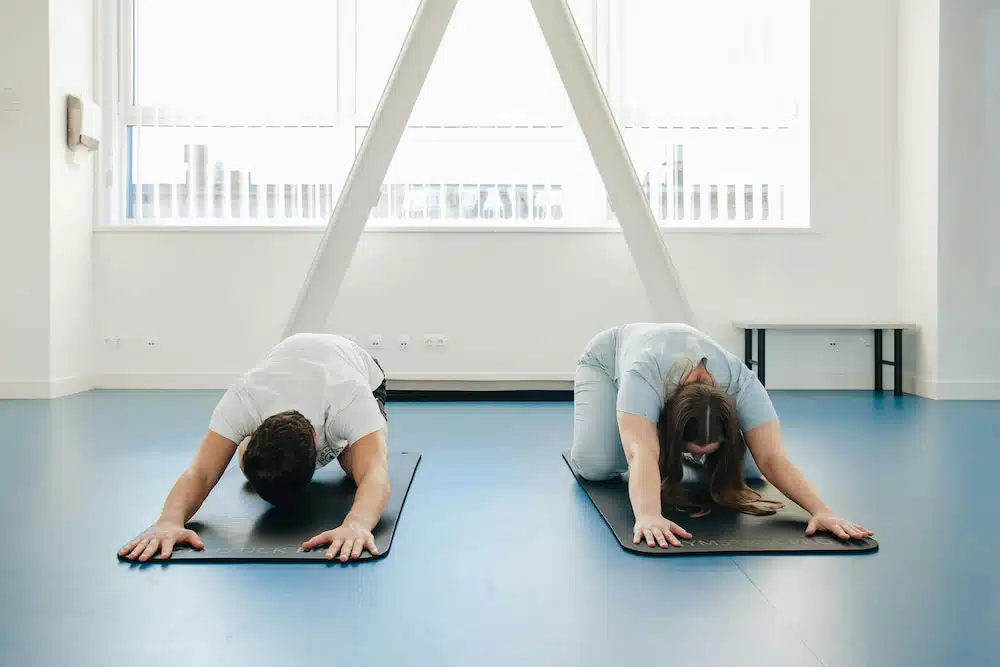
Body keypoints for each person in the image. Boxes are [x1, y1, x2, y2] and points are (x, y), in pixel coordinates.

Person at [570, 322, 873, 549]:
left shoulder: (742, 382)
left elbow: (772, 457)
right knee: (596, 465)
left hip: (673, 370)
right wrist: (649, 515)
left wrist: (822, 511)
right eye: (693, 451)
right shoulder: (643, 373)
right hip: (606, 360)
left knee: (752, 469)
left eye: (707, 451)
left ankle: (653, 426)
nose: (699, 458)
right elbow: (640, 452)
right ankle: (641, 422)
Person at [118, 333, 391, 563]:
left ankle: (344, 444)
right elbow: (200, 472)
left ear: (319, 446)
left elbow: (375, 472)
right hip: (290, 364)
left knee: (352, 466)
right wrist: (168, 521)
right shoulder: (244, 398)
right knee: (247, 460)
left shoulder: (349, 396)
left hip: (361, 369)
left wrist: (357, 524)